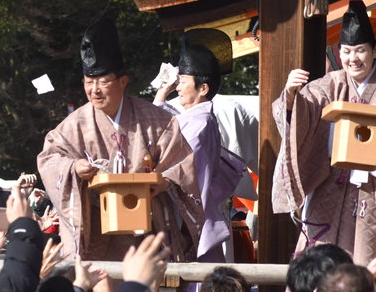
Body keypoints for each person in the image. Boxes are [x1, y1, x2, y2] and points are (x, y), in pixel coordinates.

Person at [37, 21, 202, 260]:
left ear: (123, 81)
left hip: (147, 232)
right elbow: (49, 159)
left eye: (103, 82)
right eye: (88, 82)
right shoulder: (74, 125)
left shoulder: (157, 120)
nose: (94, 90)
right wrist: (73, 167)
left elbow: (183, 165)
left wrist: (163, 182)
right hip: (96, 233)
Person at [272, 0, 376, 265]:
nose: (352, 59)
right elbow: (300, 114)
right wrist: (290, 95)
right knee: (321, 259)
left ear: (375, 51)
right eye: (346, 51)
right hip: (331, 185)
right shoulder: (327, 86)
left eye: (360, 51)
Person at [154, 28, 246, 262]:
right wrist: (163, 92)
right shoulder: (193, 118)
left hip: (188, 212)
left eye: (183, 82)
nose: (178, 87)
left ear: (202, 88)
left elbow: (173, 155)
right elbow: (164, 124)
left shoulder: (201, 123)